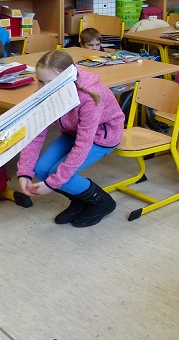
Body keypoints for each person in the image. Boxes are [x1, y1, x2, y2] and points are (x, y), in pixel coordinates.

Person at [17, 50, 122, 227]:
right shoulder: (47, 91)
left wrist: (53, 184)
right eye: (40, 81)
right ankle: (80, 200)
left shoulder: (90, 97)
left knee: (56, 174)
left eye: (51, 82)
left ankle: (102, 202)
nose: (44, 88)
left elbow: (83, 144)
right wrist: (25, 171)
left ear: (68, 77)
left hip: (101, 138)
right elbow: (36, 133)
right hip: (73, 132)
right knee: (41, 170)